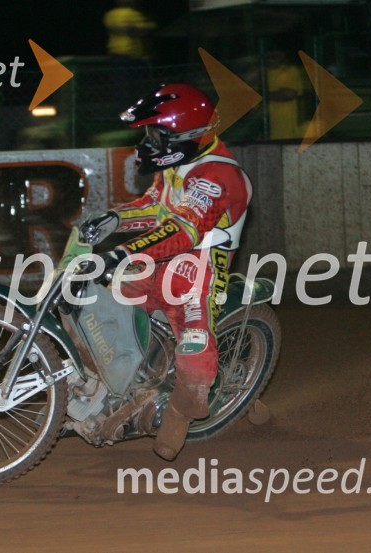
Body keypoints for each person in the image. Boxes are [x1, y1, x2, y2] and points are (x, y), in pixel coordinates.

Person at [80, 83, 253, 461]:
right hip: (163, 256)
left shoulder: (217, 176)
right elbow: (157, 207)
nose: (148, 144)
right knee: (107, 299)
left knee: (194, 343)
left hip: (201, 266)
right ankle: (119, 380)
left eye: (157, 136)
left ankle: (182, 409)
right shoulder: (179, 165)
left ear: (186, 136)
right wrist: (113, 219)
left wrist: (121, 251)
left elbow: (184, 230)